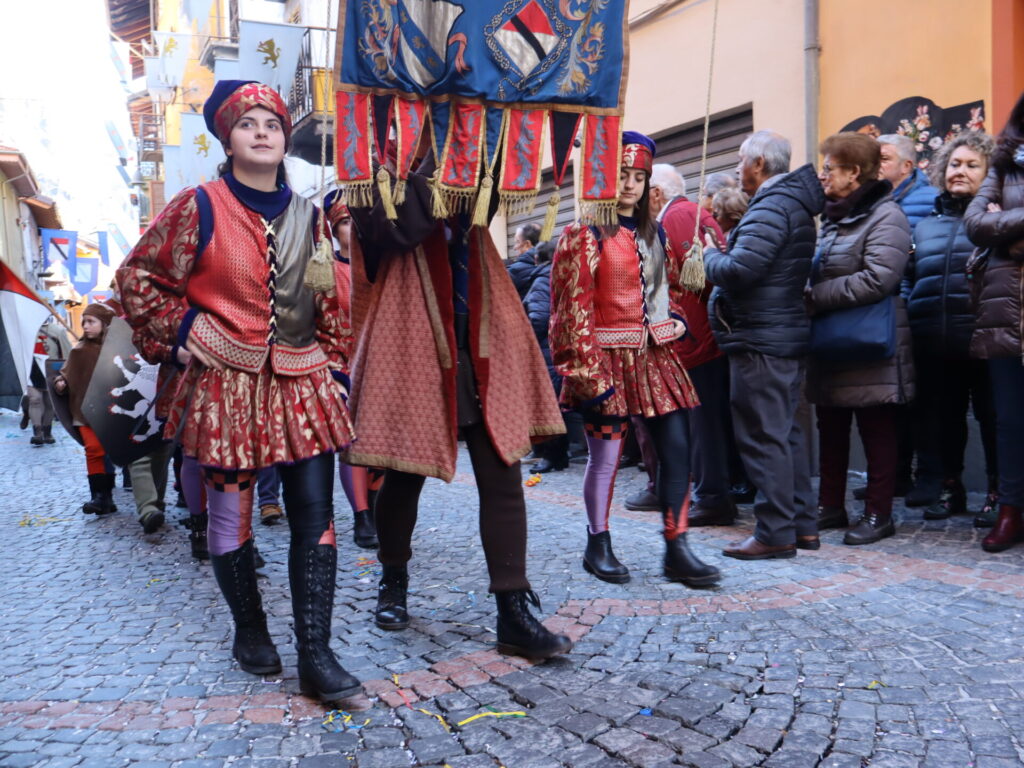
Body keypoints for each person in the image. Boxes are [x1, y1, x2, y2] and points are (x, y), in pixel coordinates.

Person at [117, 80, 360, 702]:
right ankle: (250, 629)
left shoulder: (310, 216)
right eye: (247, 122)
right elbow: (139, 279)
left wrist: (331, 366)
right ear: (226, 137)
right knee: (232, 513)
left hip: (302, 382)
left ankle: (316, 652)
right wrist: (183, 331)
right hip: (226, 381)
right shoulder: (197, 206)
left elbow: (325, 294)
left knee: (315, 512)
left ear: (284, 139)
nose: (262, 132)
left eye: (272, 123)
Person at [345, 140, 572, 660]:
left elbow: (485, 207)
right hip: (415, 330)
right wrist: (442, 160)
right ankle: (393, 578)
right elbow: (396, 229)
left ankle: (513, 610)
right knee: (405, 470)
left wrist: (493, 141)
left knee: (503, 468)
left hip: (481, 325)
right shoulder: (376, 152)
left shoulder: (467, 138)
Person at [550, 131, 721, 588]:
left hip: (657, 361)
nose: (630, 184)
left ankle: (677, 546)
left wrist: (679, 319)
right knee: (605, 458)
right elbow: (570, 312)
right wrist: (586, 372)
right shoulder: (582, 234)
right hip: (605, 360)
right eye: (622, 175)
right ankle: (597, 542)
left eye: (638, 177)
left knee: (678, 449)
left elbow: (671, 294)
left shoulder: (655, 233)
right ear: (605, 179)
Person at [703, 130, 825, 559]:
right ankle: (801, 526)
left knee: (762, 436)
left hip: (761, 339)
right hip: (779, 335)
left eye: (740, 160)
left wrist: (707, 256)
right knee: (785, 434)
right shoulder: (789, 205)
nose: (737, 168)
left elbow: (740, 269)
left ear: (759, 164)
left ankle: (775, 532)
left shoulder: (771, 206)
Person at [806, 132, 914, 546]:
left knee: (876, 430)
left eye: (830, 167)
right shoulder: (834, 215)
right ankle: (829, 505)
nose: (823, 174)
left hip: (871, 343)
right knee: (830, 427)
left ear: (853, 172)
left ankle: (878, 513)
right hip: (834, 341)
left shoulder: (887, 216)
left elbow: (880, 278)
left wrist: (814, 297)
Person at [905, 132, 998, 526]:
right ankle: (950, 488)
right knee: (944, 420)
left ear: (989, 174)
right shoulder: (926, 225)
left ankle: (998, 492)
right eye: (955, 164)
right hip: (935, 339)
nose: (960, 172)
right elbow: (912, 276)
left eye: (972, 165)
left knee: (995, 421)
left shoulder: (998, 218)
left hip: (986, 337)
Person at [647, 163, 736, 525]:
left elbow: (695, 278)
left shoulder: (678, 217)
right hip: (701, 336)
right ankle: (713, 493)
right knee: (706, 422)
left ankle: (712, 496)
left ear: (655, 193)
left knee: (703, 425)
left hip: (696, 340)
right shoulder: (690, 213)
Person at [963, 91, 1024, 553]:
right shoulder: (1004, 164)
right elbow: (975, 223)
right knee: (1009, 420)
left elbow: (994, 225)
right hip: (1006, 308)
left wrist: (1009, 227)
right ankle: (1011, 511)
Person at [875, 133, 940, 506]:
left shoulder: (928, 201)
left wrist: (911, 300)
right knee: (892, 402)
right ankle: (896, 476)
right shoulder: (876, 202)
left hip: (917, 314)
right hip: (886, 317)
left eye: (884, 158)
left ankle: (928, 478)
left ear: (907, 166)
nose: (877, 165)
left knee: (925, 403)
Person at [324, 190, 379, 550]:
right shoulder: (325, 268)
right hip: (340, 366)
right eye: (345, 222)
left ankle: (376, 510)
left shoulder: (381, 264)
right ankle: (361, 516)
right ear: (334, 228)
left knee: (380, 439)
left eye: (357, 220)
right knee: (352, 440)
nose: (353, 228)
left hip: (378, 363)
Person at [53, 303, 118, 515]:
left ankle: (106, 498)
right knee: (93, 450)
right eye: (84, 322)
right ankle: (98, 496)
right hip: (83, 410)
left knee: (108, 452)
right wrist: (60, 383)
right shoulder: (79, 351)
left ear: (105, 324)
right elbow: (65, 374)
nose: (86, 326)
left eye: (91, 322)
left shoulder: (117, 350)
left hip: (111, 411)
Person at [522, 240, 568, 473]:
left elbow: (538, 318)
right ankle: (557, 455)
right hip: (559, 347)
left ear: (537, 259)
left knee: (551, 404)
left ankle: (553, 457)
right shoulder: (562, 273)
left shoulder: (541, 278)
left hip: (546, 350)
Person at [507, 223, 541, 298]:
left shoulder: (515, 270)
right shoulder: (549, 265)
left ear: (527, 244)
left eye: (517, 242)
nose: (514, 248)